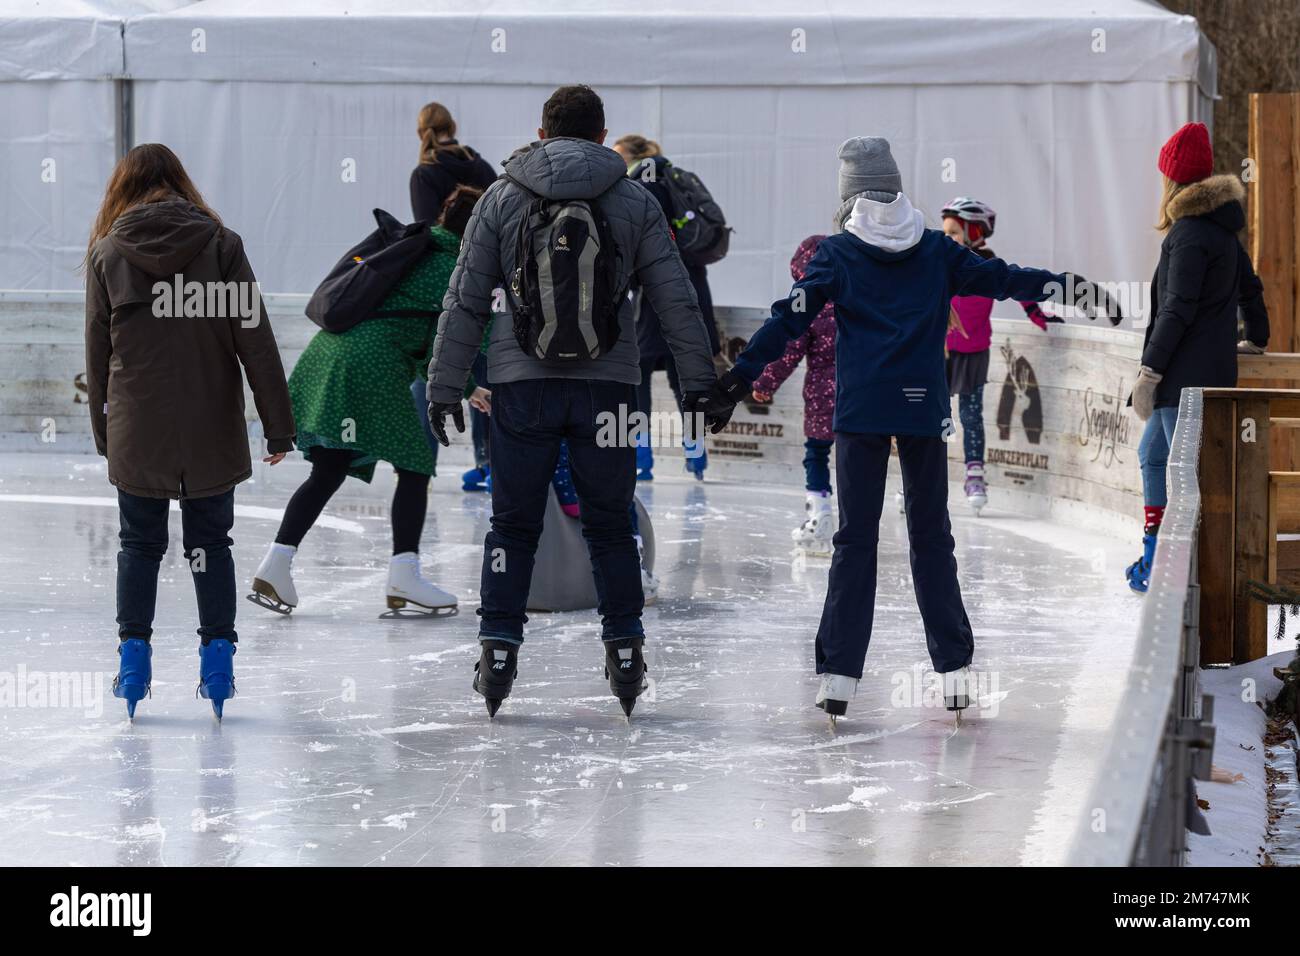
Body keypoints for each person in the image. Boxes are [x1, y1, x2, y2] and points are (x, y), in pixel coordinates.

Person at [706, 136, 1118, 720]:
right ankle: (953, 673)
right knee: (932, 538)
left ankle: (840, 677)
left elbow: (787, 321)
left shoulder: (838, 255)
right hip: (923, 408)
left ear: (848, 195)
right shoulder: (935, 250)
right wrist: (1067, 285)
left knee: (855, 541)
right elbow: (1006, 278)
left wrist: (740, 379)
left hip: (862, 413)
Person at [426, 85, 718, 718]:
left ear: (542, 131)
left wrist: (445, 385)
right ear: (600, 132)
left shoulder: (502, 197)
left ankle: (499, 650)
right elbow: (676, 299)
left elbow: (467, 299)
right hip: (609, 389)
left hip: (520, 386)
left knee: (512, 525)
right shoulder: (634, 199)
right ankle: (626, 651)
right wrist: (698, 385)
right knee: (610, 524)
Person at [84, 143, 295, 720]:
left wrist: (107, 435)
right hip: (211, 424)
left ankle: (133, 660)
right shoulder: (222, 247)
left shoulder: (107, 253)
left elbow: (97, 356)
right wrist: (279, 428)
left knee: (138, 544)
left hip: (138, 425)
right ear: (182, 183)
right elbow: (256, 341)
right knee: (210, 544)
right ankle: (218, 662)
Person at [249, 186, 490, 617]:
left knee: (329, 469)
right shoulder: (455, 266)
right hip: (368, 369)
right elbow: (463, 333)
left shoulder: (418, 248)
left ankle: (276, 566)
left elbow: (420, 333)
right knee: (415, 464)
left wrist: (467, 387)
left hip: (328, 356)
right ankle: (404, 577)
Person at [1126, 122, 1268, 593]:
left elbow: (1177, 308)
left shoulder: (1188, 233)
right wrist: (1258, 339)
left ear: (1173, 179)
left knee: (1179, 470)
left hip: (1183, 378)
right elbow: (1250, 288)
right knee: (1153, 454)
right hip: (1204, 374)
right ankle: (1155, 551)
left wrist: (1151, 370)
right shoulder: (1222, 231)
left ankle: (1167, 563)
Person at [940, 197, 1061, 514]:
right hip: (940, 351)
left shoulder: (985, 268)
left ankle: (974, 476)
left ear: (974, 232)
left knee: (970, 415)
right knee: (933, 415)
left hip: (974, 353)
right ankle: (922, 476)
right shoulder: (941, 263)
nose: (946, 239)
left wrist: (1039, 316)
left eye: (953, 233)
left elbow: (1018, 289)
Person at [612, 134, 722, 480]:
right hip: (690, 287)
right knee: (683, 376)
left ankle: (640, 458)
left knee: (637, 377)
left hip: (652, 294)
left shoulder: (641, 186)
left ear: (632, 157)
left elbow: (637, 243)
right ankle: (696, 452)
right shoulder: (675, 180)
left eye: (617, 156)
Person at [749, 235, 838, 554]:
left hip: (822, 397)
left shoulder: (808, 303)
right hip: (861, 394)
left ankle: (820, 515)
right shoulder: (857, 294)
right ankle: (857, 522)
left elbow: (789, 349)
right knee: (858, 457)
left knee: (817, 453)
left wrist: (763, 383)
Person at [409, 102, 498, 223]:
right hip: (488, 242)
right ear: (453, 127)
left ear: (420, 134)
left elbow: (427, 232)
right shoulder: (483, 167)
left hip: (451, 242)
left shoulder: (422, 176)